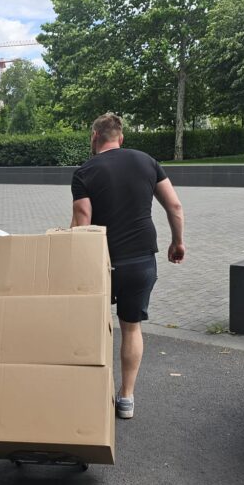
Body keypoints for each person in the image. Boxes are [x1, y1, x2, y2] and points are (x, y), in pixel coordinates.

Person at [71, 113, 185, 419]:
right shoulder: (147, 161)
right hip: (140, 260)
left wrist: (67, 257)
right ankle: (126, 398)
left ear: (94, 138)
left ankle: (94, 390)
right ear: (120, 138)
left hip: (101, 263)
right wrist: (177, 242)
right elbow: (174, 205)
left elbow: (82, 220)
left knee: (94, 325)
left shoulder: (85, 171)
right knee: (131, 327)